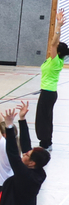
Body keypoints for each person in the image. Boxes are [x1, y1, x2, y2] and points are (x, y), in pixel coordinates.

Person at [37, 8, 66, 152]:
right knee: (46, 118)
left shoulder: (55, 61)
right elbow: (55, 43)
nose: (51, 47)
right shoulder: (54, 60)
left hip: (48, 93)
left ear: (58, 51)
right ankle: (47, 142)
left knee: (43, 119)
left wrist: (58, 25)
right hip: (49, 92)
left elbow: (54, 43)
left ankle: (45, 144)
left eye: (55, 48)